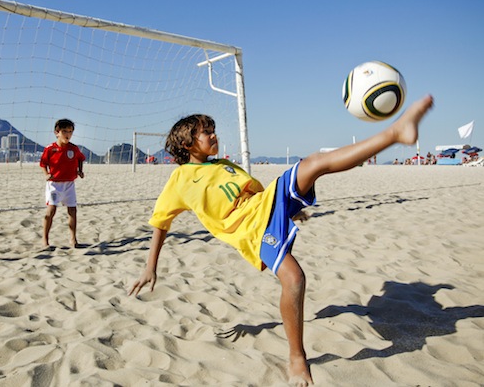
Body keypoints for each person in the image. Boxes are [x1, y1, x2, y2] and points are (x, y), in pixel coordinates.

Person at [129, 95, 434, 386]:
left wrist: (291, 210)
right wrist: (150, 267)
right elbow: (161, 223)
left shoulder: (225, 166)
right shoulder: (179, 180)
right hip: (250, 231)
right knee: (295, 279)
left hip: (267, 206)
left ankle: (396, 132)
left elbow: (256, 194)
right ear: (187, 143)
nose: (213, 135)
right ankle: (297, 356)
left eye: (213, 130)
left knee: (315, 163)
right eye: (205, 132)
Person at [40, 118, 86, 248]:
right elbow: (43, 163)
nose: (68, 134)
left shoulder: (74, 149)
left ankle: (73, 239)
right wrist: (46, 174)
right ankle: (45, 239)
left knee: (72, 211)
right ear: (57, 132)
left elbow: (81, 159)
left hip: (69, 184)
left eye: (70, 131)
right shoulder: (50, 149)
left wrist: (80, 171)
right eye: (65, 131)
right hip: (54, 185)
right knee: (51, 210)